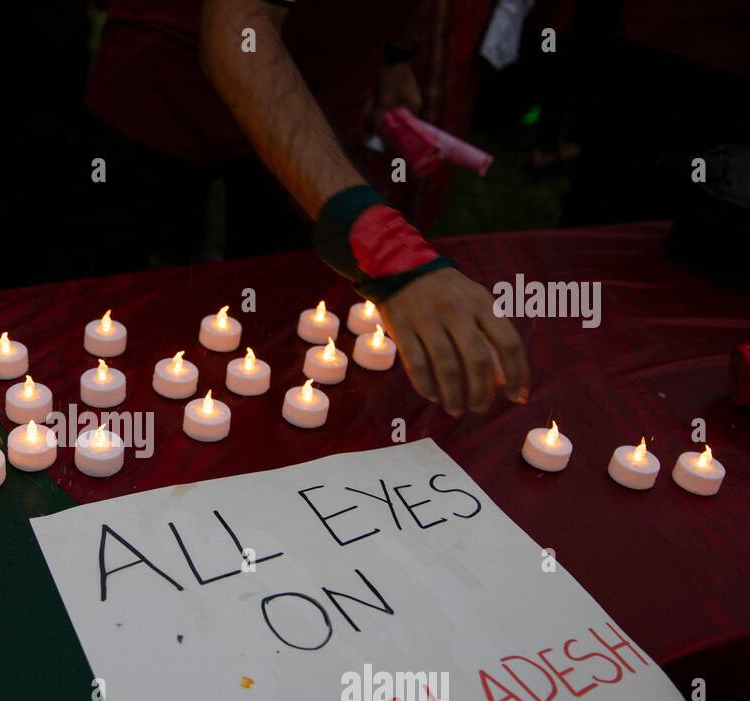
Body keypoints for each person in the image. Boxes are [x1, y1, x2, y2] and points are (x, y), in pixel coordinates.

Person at [88, 0, 531, 416]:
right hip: (174, 70)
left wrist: (395, 53)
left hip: (327, 86)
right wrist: (389, 249)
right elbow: (238, 31)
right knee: (137, 303)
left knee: (287, 303)